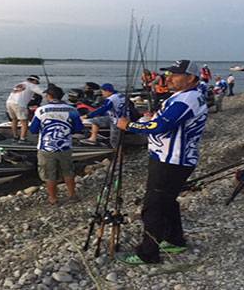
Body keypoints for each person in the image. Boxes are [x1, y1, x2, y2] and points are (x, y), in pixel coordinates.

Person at [115, 59, 208, 265]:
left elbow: (161, 127)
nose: (169, 78)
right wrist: (151, 116)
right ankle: (174, 240)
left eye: (175, 75)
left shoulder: (188, 99)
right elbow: (162, 119)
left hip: (172, 161)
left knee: (153, 206)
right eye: (169, 74)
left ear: (191, 78)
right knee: (167, 201)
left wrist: (129, 125)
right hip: (166, 158)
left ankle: (148, 254)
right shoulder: (183, 96)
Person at [29, 86, 84, 205]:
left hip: (46, 148)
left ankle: (53, 199)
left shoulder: (41, 110)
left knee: (49, 174)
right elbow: (79, 128)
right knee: (68, 172)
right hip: (65, 147)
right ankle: (72, 195)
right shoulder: (72, 110)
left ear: (49, 96)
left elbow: (33, 130)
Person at [81, 83, 126, 148]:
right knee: (95, 121)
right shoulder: (120, 95)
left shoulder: (111, 99)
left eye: (103, 91)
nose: (102, 94)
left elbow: (102, 109)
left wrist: (87, 116)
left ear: (107, 91)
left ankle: (114, 150)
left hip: (117, 120)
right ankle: (93, 139)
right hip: (116, 117)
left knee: (114, 139)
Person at [6, 75, 44, 142]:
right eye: (37, 82)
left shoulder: (19, 84)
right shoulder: (32, 85)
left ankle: (15, 137)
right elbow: (43, 93)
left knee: (14, 120)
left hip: (9, 102)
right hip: (19, 104)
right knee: (24, 121)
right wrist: (50, 89)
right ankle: (22, 138)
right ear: (34, 81)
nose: (37, 84)